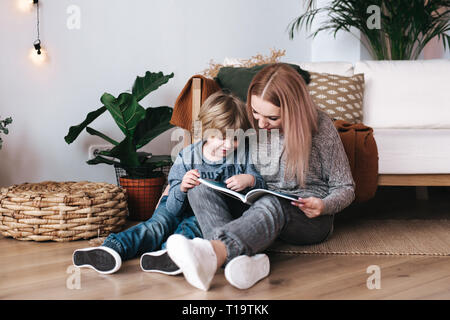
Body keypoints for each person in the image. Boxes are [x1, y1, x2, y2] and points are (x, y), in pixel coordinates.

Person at [166, 63, 355, 291]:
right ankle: (243, 263)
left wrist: (323, 205)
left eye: (272, 118)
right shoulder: (251, 121)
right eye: (256, 112)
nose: (260, 123)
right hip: (254, 203)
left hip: (307, 217)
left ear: (294, 110)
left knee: (273, 202)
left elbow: (345, 187)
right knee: (200, 187)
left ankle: (215, 252)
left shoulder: (321, 127)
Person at [72, 91, 266, 275]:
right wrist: (182, 187)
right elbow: (172, 207)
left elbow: (260, 187)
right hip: (175, 203)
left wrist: (249, 179)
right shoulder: (189, 156)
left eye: (234, 139)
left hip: (206, 213)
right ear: (206, 131)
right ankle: (112, 249)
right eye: (222, 138)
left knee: (192, 229)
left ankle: (169, 256)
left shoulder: (244, 155)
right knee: (157, 226)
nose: (228, 145)